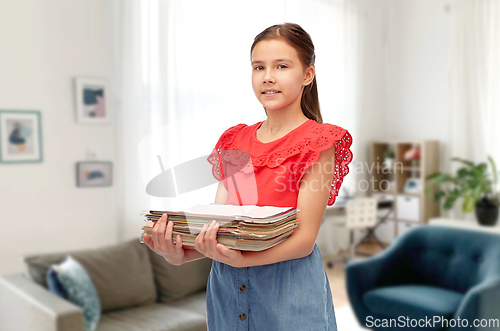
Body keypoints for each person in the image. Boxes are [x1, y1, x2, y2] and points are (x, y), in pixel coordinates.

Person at [143, 22, 353, 330]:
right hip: (227, 288)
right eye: (259, 67)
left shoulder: (319, 140)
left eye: (281, 66)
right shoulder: (235, 141)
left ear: (307, 75)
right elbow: (222, 224)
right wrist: (179, 254)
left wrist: (243, 260)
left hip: (289, 288)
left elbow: (304, 241)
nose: (268, 76)